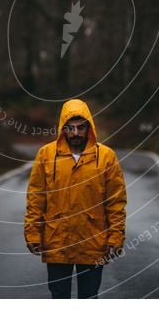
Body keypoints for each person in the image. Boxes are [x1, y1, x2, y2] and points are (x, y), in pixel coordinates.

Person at [24, 98, 127, 298]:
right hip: (57, 242)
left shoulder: (106, 156)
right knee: (59, 297)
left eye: (80, 127)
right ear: (63, 128)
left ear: (89, 127)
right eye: (70, 128)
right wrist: (33, 234)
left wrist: (115, 237)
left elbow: (115, 201)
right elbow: (36, 198)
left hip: (93, 243)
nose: (76, 133)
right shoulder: (46, 155)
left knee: (89, 297)